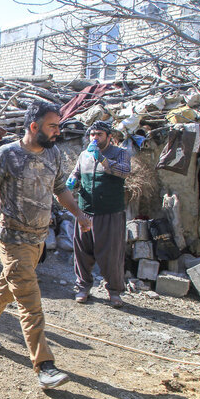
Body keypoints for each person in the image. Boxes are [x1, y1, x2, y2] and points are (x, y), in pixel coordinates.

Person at [0, 101, 92, 390]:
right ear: (34, 127)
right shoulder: (6, 155)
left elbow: (61, 190)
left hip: (37, 239)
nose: (58, 132)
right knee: (30, 302)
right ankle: (45, 366)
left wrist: (80, 215)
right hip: (11, 238)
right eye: (53, 126)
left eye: (59, 126)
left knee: (8, 289)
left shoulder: (54, 154)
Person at [67, 120, 131, 307]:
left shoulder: (120, 154)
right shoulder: (84, 155)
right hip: (85, 211)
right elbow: (76, 173)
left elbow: (125, 172)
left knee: (111, 253)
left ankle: (114, 290)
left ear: (109, 137)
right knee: (82, 251)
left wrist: (103, 159)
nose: (94, 138)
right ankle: (83, 287)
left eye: (99, 135)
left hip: (110, 212)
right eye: (92, 134)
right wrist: (71, 181)